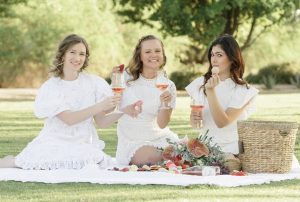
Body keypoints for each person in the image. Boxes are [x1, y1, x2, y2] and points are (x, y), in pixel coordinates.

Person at [0, 34, 141, 170]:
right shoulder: (52, 86)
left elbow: (102, 122)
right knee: (31, 162)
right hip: (54, 142)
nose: (77, 58)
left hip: (81, 144)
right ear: (63, 55)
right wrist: (101, 105)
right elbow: (69, 119)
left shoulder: (93, 83)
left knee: (95, 160)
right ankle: (13, 160)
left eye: (82, 54)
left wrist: (123, 111)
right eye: (72, 52)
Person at [186, 34, 259, 158]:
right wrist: (194, 119)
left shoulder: (243, 90)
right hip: (202, 149)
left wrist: (210, 91)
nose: (214, 59)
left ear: (232, 58)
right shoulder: (199, 83)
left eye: (219, 55)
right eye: (212, 55)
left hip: (230, 151)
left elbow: (222, 122)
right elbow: (195, 123)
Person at [115, 35, 179, 166]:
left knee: (181, 151)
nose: (153, 55)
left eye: (157, 51)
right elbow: (111, 109)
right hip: (133, 141)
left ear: (163, 54)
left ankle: (176, 155)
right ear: (140, 56)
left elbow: (162, 124)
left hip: (159, 137)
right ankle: (175, 157)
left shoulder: (168, 85)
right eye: (148, 52)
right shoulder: (125, 78)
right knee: (153, 157)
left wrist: (165, 104)